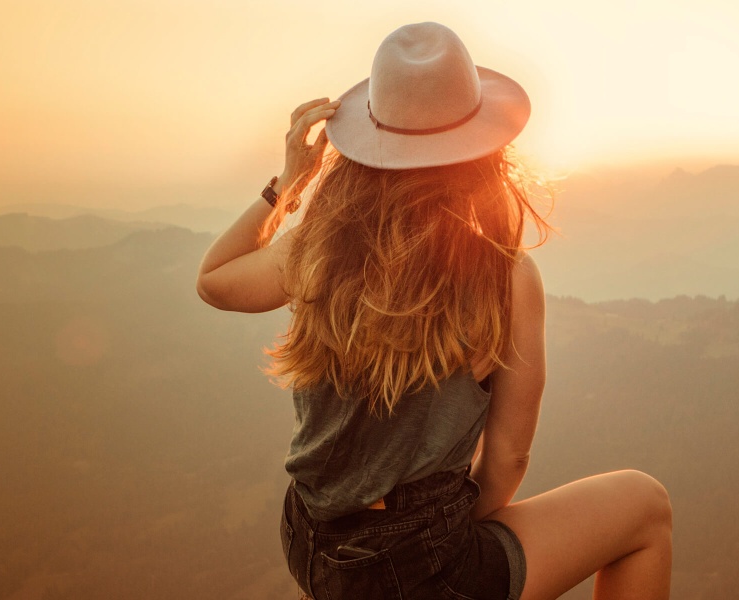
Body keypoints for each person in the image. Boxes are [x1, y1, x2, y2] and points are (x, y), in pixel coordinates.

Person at [195, 22, 673, 600]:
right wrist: (427, 543)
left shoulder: (316, 249)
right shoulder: (506, 278)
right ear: (484, 148)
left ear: (367, 139)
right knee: (645, 506)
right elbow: (507, 459)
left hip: (311, 544)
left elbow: (214, 280)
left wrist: (290, 183)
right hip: (421, 564)